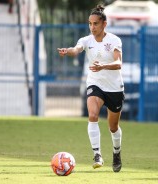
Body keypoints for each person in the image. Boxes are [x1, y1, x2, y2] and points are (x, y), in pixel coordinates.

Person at [57, 5, 124, 172]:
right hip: (95, 83)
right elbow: (76, 49)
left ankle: (116, 152)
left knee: (113, 127)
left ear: (104, 24)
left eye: (95, 24)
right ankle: (97, 154)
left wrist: (103, 66)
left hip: (114, 88)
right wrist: (68, 51)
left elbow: (118, 63)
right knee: (93, 115)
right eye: (90, 24)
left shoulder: (114, 40)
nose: (92, 27)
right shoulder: (86, 40)